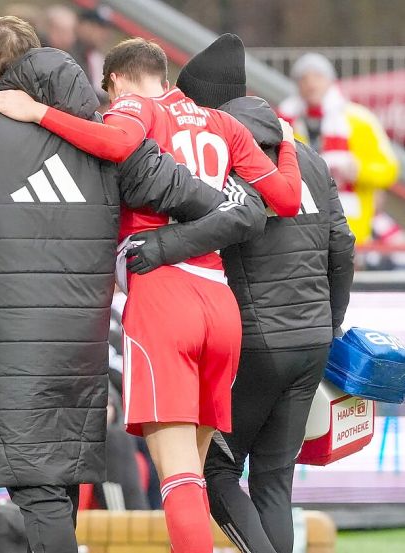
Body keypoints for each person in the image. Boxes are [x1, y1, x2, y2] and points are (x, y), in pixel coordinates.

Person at [0, 17, 266, 553]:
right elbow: (216, 205)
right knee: (60, 483)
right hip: (84, 342)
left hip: (9, 342)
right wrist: (165, 245)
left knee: (41, 491)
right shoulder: (107, 138)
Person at [0, 37, 304, 553]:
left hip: (164, 296)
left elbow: (115, 144)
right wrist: (286, 143)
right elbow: (285, 198)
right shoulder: (222, 123)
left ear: (115, 80)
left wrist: (38, 111)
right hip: (220, 303)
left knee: (178, 479)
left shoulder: (135, 106)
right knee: (196, 472)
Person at [174, 35, 356, 553]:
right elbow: (342, 247)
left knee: (214, 470)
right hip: (311, 340)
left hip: (254, 343)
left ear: (204, 103)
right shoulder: (307, 157)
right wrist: (328, 323)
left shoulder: (218, 158)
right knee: (274, 481)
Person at [279, 52, 399, 244]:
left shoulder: (359, 120)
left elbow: (389, 169)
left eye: (317, 76)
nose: (311, 84)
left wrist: (358, 171)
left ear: (330, 80)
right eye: (304, 78)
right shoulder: (284, 121)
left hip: (351, 227)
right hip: (301, 229)